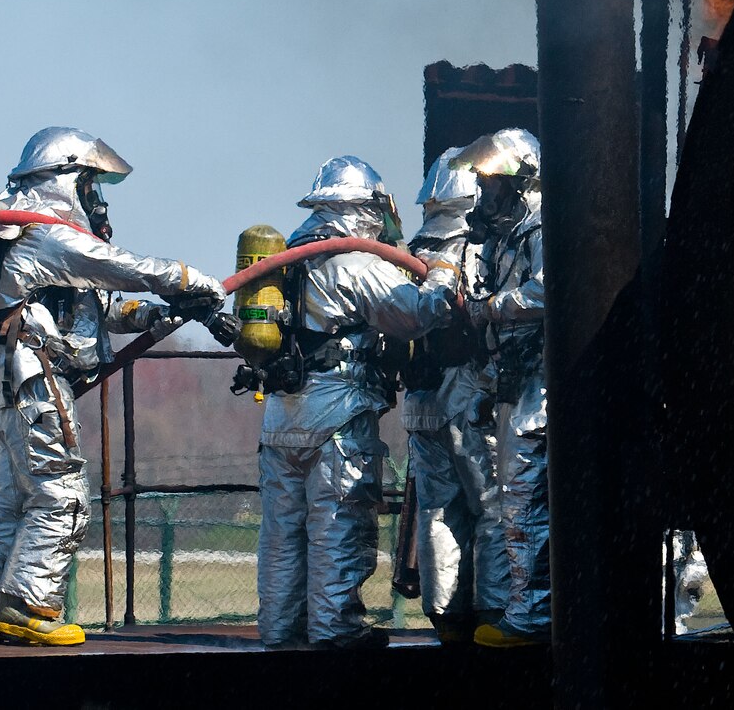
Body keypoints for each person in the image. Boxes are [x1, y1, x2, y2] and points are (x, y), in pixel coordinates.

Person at [0, 127, 225, 646]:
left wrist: (158, 315)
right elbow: (119, 267)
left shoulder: (21, 237)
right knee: (62, 494)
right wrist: (192, 281)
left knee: (8, 500)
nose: (96, 200)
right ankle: (31, 607)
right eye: (91, 186)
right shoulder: (47, 233)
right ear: (66, 181)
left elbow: (96, 306)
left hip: (1, 387)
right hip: (35, 380)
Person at [215, 156, 462, 650]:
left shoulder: (286, 258)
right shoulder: (357, 263)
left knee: (282, 535)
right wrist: (441, 272)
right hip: (338, 419)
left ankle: (281, 630)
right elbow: (417, 315)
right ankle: (336, 630)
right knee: (338, 524)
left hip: (281, 417)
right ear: (367, 208)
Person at [400, 148, 505, 643]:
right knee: (490, 504)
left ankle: (445, 615)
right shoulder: (479, 245)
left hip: (420, 400)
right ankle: (493, 612)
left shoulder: (412, 249)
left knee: (438, 509)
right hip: (469, 394)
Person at [454, 129, 548, 649]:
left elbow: (547, 290)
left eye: (492, 182)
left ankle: (534, 618)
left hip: (541, 391)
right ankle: (529, 611)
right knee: (517, 503)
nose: (484, 192)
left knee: (526, 503)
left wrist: (491, 307)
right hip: (516, 387)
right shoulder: (503, 237)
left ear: (520, 183)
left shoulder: (541, 228)